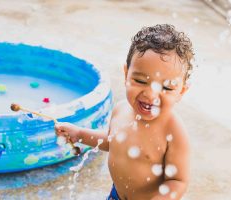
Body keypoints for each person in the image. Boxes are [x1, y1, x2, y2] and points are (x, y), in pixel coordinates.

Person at [55, 24, 195, 200]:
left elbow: (178, 181)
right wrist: (80, 133)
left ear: (181, 91)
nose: (151, 95)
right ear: (126, 74)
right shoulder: (121, 109)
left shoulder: (173, 132)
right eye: (140, 80)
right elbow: (113, 142)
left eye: (166, 87)